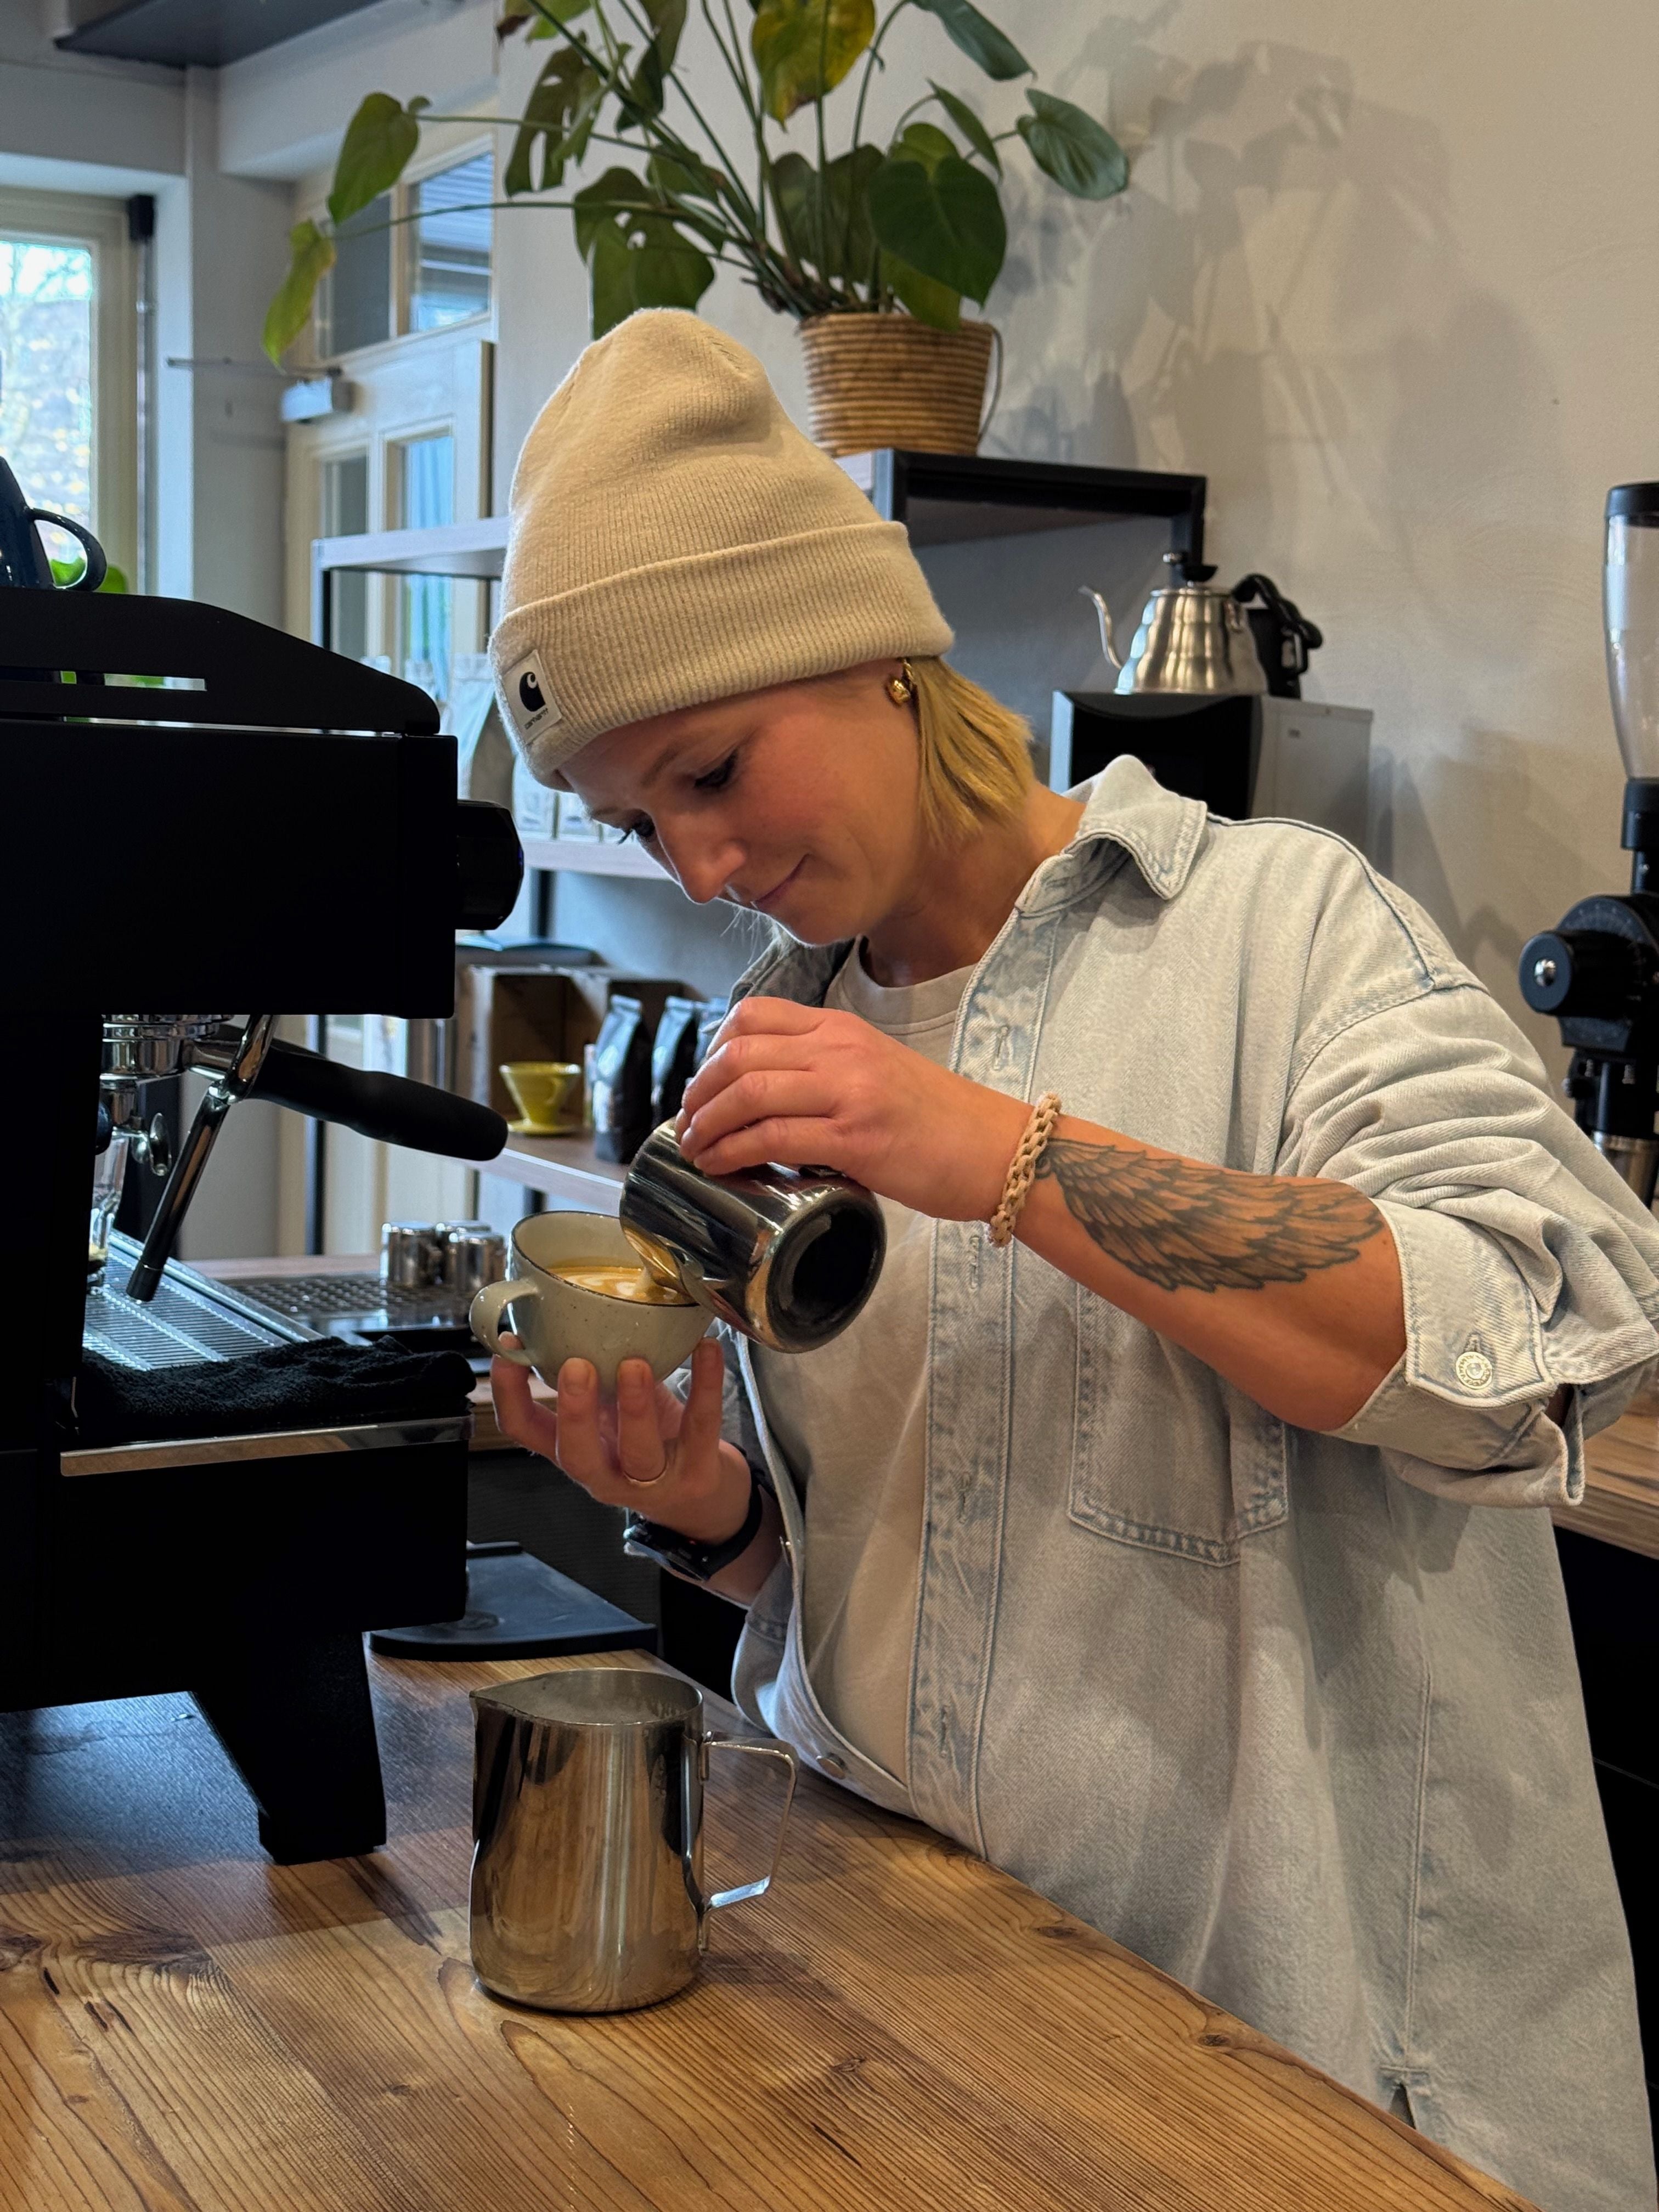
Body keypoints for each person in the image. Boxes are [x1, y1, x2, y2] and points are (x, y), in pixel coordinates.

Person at [488, 309, 1659, 2212]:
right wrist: (716, 1513)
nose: (694, 868)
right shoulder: (779, 1051)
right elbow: (905, 1576)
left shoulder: (1282, 933)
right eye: (637, 820)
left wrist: (1005, 1156)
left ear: (865, 649)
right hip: (912, 2032)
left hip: (1313, 2105)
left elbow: (1537, 1333)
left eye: (709, 771)